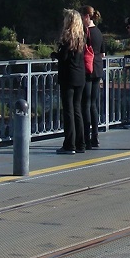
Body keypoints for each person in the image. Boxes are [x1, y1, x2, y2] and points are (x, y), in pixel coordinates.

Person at [54, 9, 87, 155]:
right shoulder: (82, 37)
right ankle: (81, 143)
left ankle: (69, 144)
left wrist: (55, 54)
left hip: (68, 77)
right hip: (80, 76)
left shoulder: (68, 37)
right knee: (77, 110)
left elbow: (64, 57)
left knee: (68, 111)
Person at [80, 5, 104, 149]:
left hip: (87, 70)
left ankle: (86, 138)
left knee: (86, 104)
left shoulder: (85, 32)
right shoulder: (99, 33)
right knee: (93, 105)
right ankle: (95, 136)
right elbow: (103, 53)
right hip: (98, 68)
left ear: (87, 16)